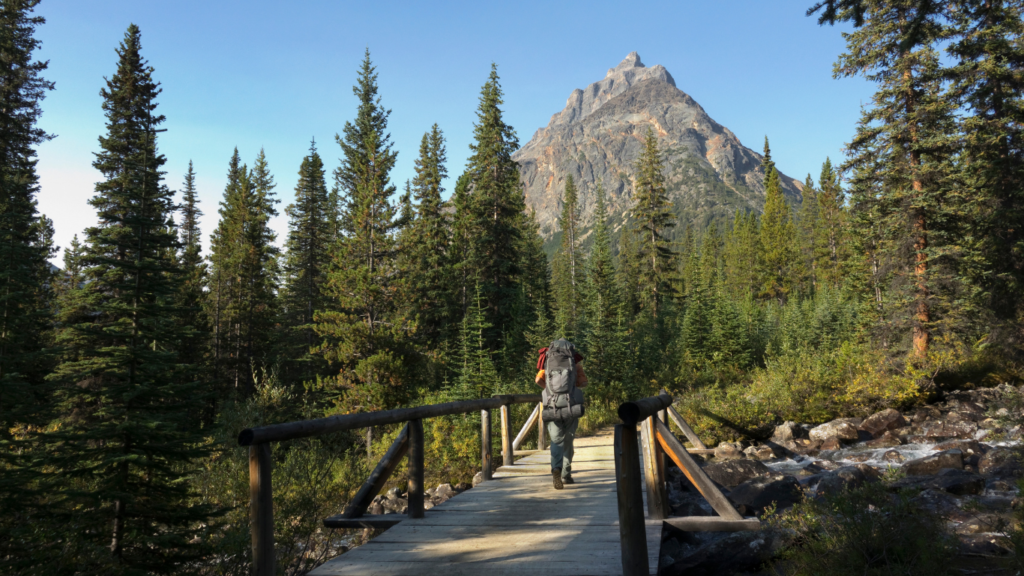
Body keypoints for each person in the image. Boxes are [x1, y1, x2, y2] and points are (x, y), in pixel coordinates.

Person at [535, 342, 587, 489]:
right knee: (568, 439)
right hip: (571, 406)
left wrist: (549, 391)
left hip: (552, 406)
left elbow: (538, 380)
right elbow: (584, 383)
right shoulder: (574, 363)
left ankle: (556, 468)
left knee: (556, 440)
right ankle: (566, 474)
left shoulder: (547, 362)